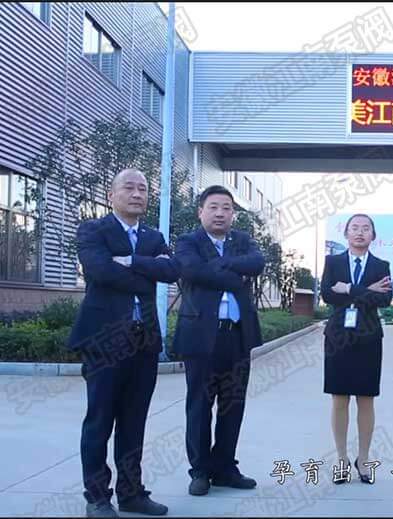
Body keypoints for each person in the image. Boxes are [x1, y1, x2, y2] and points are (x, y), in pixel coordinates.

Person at [68, 168, 179, 518]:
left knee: (134, 422)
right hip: (104, 341)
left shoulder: (153, 236)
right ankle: (97, 498)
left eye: (142, 189)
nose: (137, 194)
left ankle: (131, 494)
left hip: (143, 341)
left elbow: (172, 271)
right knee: (99, 421)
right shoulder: (93, 230)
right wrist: (147, 273)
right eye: (129, 188)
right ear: (112, 195)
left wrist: (130, 262)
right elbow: (99, 270)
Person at [172, 185, 265, 497]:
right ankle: (200, 470)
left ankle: (225, 468)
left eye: (226, 207)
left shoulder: (242, 240)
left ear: (233, 213)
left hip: (237, 335)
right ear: (201, 211)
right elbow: (191, 270)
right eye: (213, 207)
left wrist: (222, 265)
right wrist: (234, 273)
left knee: (233, 404)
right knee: (199, 405)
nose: (220, 213)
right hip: (200, 336)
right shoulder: (188, 241)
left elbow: (257, 263)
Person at [320, 214, 393, 484]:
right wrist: (367, 290)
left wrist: (350, 288)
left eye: (365, 228)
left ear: (373, 235)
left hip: (368, 338)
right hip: (338, 337)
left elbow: (384, 299)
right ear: (346, 234)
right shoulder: (333, 262)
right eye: (354, 228)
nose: (360, 232)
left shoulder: (381, 265)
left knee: (366, 399)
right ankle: (341, 459)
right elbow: (328, 294)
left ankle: (363, 459)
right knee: (339, 398)